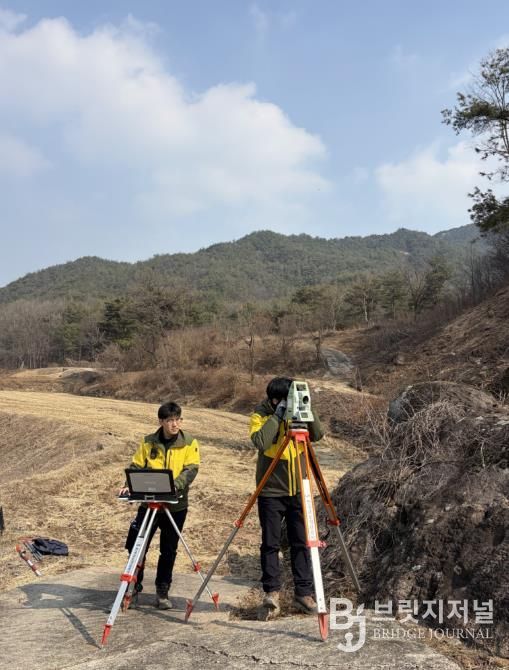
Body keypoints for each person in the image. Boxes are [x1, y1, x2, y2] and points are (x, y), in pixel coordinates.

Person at [250, 376, 324, 618]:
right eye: (287, 399)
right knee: (270, 543)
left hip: (299, 488)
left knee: (301, 542)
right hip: (271, 489)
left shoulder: (299, 411)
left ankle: (304, 593)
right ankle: (271, 593)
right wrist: (278, 416)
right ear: (275, 400)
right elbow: (261, 441)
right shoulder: (261, 414)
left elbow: (318, 434)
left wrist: (307, 408)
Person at [120, 401, 200, 609]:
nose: (175, 424)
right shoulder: (148, 442)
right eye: (170, 420)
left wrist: (174, 486)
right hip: (149, 505)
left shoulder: (189, 443)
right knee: (137, 546)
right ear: (161, 422)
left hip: (175, 506)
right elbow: (136, 465)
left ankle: (162, 591)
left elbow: (191, 469)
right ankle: (133, 587)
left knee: (168, 550)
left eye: (178, 419)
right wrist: (128, 485)